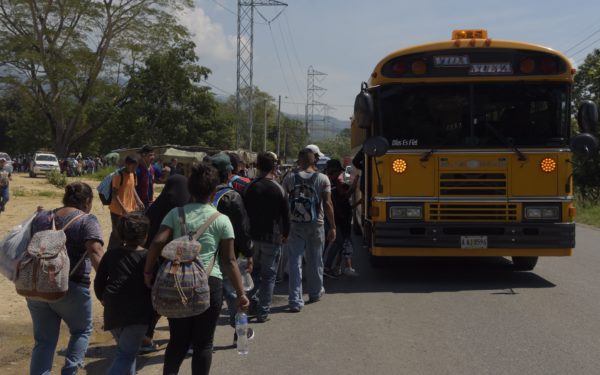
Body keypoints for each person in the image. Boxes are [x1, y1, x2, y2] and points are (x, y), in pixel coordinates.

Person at [144, 163, 250, 375]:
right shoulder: (222, 220)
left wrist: (148, 271)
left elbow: (157, 242)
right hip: (209, 284)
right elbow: (229, 261)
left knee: (177, 342)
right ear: (214, 191)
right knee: (203, 344)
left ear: (190, 189)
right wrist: (241, 293)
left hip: (177, 282)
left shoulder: (176, 213)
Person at [26, 182, 104, 375]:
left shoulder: (43, 216)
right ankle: (70, 372)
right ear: (87, 201)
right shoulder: (87, 220)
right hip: (71, 286)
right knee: (81, 331)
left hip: (37, 286)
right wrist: (108, 283)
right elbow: (95, 251)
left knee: (43, 342)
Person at [94, 213, 152, 375]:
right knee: (126, 355)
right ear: (146, 235)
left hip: (113, 310)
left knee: (127, 352)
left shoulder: (111, 255)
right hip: (138, 313)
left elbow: (99, 282)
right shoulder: (149, 257)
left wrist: (102, 298)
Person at [140, 174, 191, 352]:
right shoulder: (185, 210)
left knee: (153, 301)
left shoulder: (155, 207)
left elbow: (148, 237)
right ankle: (184, 342)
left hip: (154, 262)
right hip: (178, 263)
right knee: (180, 302)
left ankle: (146, 338)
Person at [282, 148, 336, 312]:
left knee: (294, 262)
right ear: (314, 161)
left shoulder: (290, 178)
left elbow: (284, 203)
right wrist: (332, 226)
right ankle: (314, 292)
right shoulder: (322, 178)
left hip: (295, 225)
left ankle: (295, 300)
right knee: (315, 260)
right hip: (316, 224)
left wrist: (283, 226)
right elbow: (327, 204)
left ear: (299, 161)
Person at [209, 153, 255, 340]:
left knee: (211, 299)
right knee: (238, 295)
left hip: (206, 257)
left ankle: (203, 339)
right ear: (229, 173)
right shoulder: (231, 197)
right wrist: (249, 253)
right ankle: (241, 333)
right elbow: (242, 229)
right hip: (230, 256)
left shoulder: (202, 195)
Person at [244, 151, 290, 322]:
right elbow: (286, 215)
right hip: (273, 237)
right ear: (274, 167)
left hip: (252, 237)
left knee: (254, 272)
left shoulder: (250, 187)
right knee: (269, 275)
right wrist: (286, 234)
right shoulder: (279, 188)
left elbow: (244, 213)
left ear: (257, 167)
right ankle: (263, 312)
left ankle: (253, 305)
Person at [323, 159, 359, 278]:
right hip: (337, 218)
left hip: (336, 218)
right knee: (339, 241)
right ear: (333, 171)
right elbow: (342, 199)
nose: (340, 174)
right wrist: (354, 187)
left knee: (335, 242)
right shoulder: (333, 184)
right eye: (338, 171)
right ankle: (327, 267)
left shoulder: (331, 182)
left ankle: (333, 267)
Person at [108, 155, 144, 250]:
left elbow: (132, 189)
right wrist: (123, 209)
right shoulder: (118, 175)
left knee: (125, 232)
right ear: (126, 164)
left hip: (129, 210)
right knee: (116, 233)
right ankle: (110, 253)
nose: (135, 168)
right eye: (133, 166)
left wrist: (138, 200)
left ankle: (119, 252)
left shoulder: (133, 174)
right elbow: (114, 195)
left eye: (136, 166)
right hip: (117, 210)